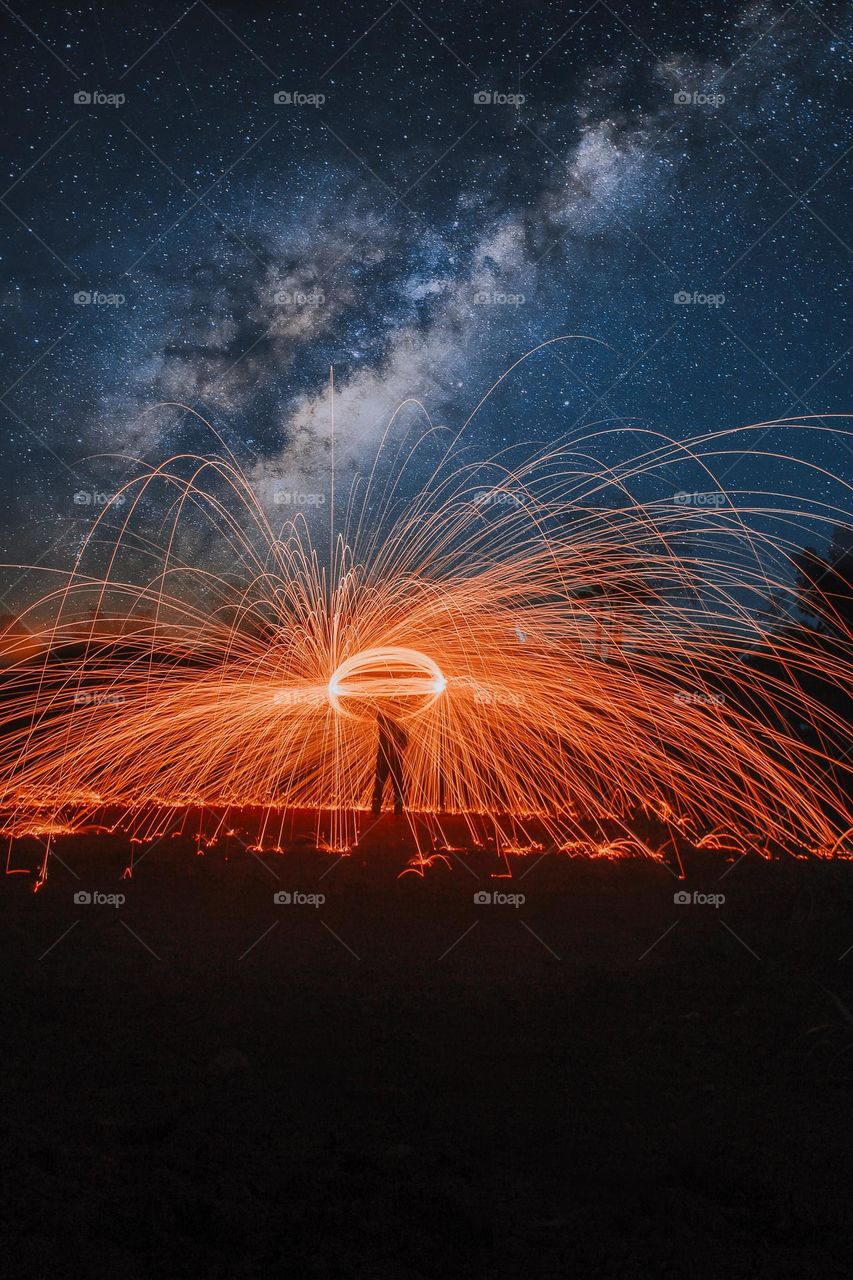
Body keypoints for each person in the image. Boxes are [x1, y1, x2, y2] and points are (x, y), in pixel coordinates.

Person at [371, 707, 408, 816]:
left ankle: (395, 808)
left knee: (395, 783)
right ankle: (378, 807)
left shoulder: (399, 723)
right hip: (385, 756)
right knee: (382, 783)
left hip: (392, 757)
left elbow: (405, 741)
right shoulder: (385, 720)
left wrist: (397, 748)